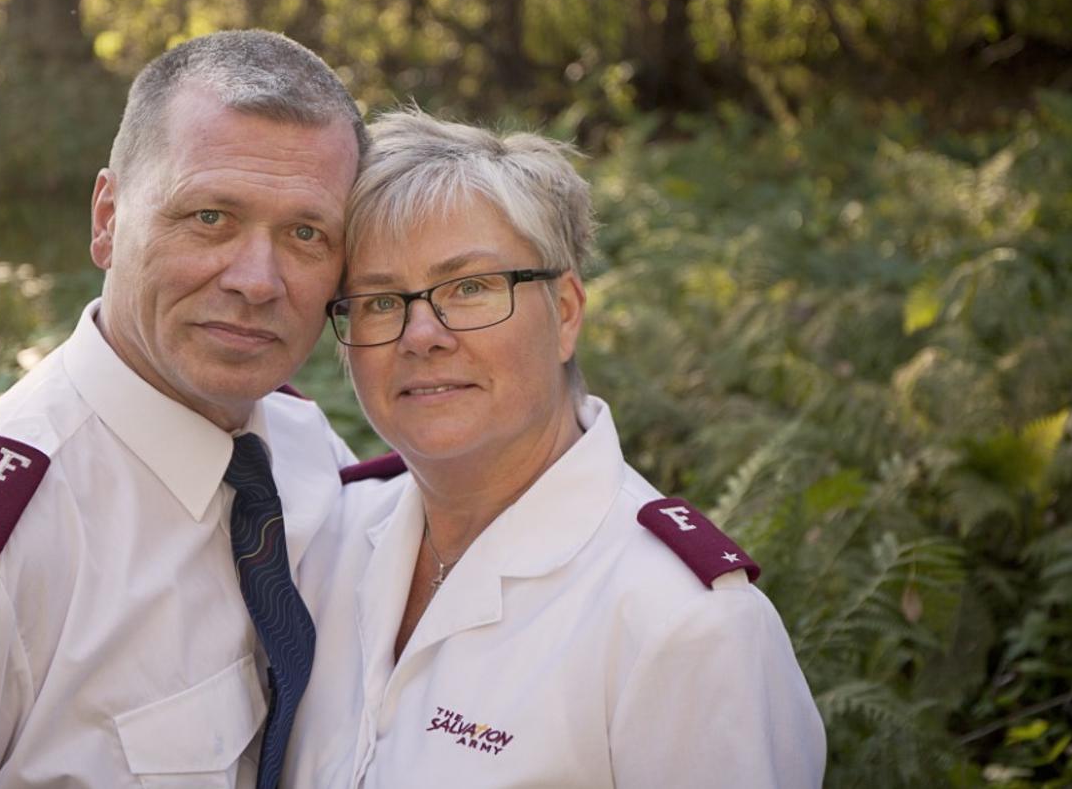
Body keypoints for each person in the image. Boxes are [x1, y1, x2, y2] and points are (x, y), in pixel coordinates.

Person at [0, 30, 365, 788]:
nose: (258, 281)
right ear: (108, 218)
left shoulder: (306, 450)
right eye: (209, 218)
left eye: (305, 233)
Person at [287, 109, 825, 787]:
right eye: (379, 300)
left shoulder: (684, 627)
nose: (421, 333)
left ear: (566, 310)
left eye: (471, 287)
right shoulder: (324, 542)